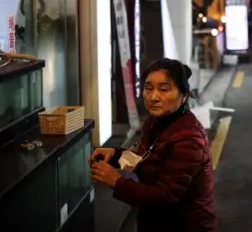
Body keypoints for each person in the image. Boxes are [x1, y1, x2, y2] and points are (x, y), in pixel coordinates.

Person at [89, 58, 216, 232]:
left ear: (183, 96)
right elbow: (145, 158)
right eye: (148, 88)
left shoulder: (189, 140)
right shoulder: (156, 121)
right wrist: (115, 155)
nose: (154, 97)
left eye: (164, 89)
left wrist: (117, 182)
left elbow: (165, 197)